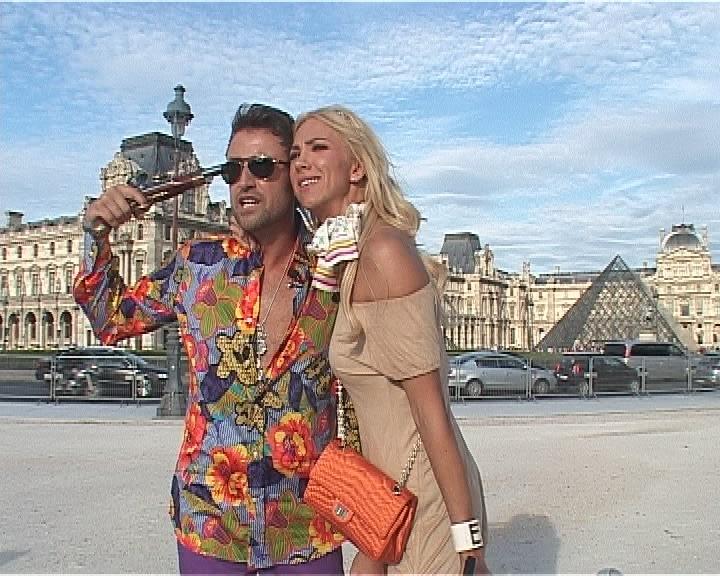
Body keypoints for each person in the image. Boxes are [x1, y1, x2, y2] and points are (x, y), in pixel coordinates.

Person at [73, 103, 356, 574]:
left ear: (294, 175)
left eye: (261, 167)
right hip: (209, 524)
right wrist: (95, 233)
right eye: (232, 169)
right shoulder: (198, 265)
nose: (244, 180)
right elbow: (110, 318)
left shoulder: (334, 269)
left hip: (307, 527)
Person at [289, 106, 490, 575]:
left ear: (357, 167)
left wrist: (469, 546)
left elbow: (431, 412)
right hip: (384, 503)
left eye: (319, 148)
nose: (301, 162)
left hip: (426, 504)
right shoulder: (346, 255)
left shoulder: (382, 250)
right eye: (295, 154)